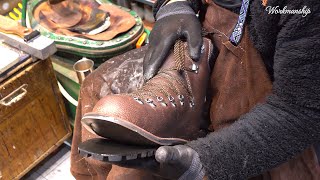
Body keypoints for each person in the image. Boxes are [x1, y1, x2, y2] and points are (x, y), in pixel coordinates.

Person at [70, 0, 320, 179]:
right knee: (97, 84)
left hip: (271, 78)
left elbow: (301, 107)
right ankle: (176, 87)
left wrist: (209, 161)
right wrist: (174, 5)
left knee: (134, 175)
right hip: (199, 42)